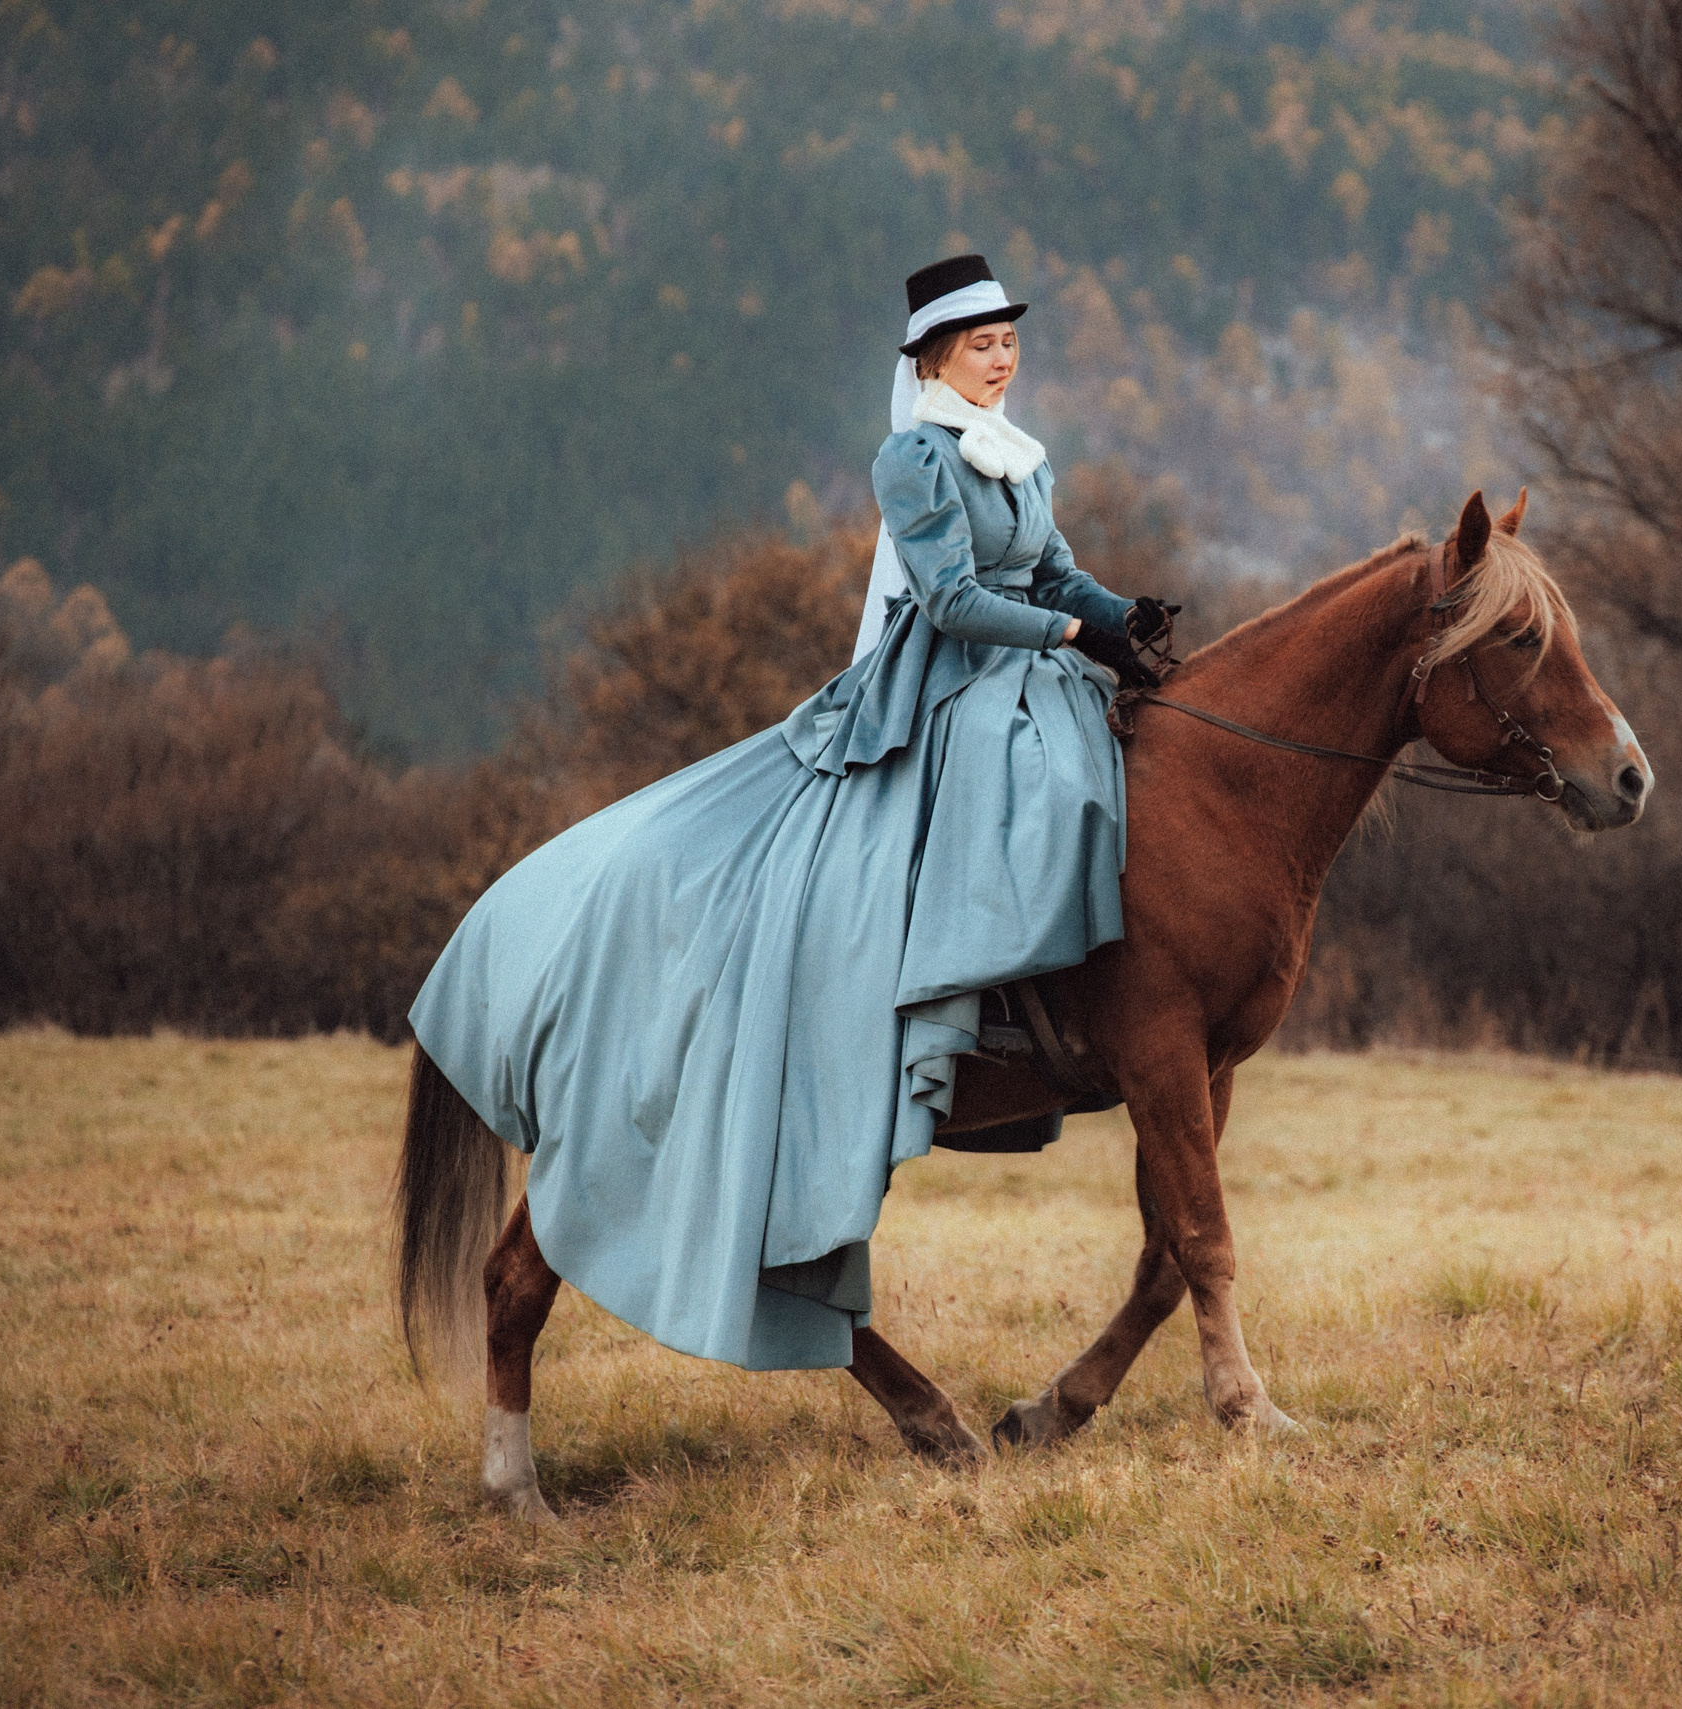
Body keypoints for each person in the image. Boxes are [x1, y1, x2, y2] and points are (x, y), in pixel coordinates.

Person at [408, 253, 1174, 1375]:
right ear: (931, 361)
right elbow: (956, 600)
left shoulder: (1017, 455)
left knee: (1102, 763)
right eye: (980, 345)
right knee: (1041, 782)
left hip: (1024, 666)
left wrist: (1118, 614)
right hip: (944, 679)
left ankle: (1051, 1006)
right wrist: (1066, 638)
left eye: (1009, 341)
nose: (1002, 358)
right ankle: (970, 995)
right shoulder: (913, 456)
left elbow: (1051, 570)